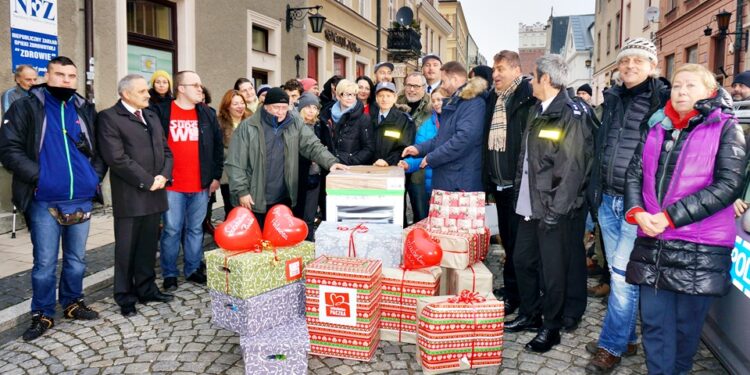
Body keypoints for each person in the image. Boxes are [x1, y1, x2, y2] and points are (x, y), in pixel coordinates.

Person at [624, 63, 746, 374]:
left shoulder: (726, 127)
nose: (681, 91)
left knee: (684, 331)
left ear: (709, 92)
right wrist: (638, 212)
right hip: (654, 241)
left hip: (699, 246)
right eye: (677, 85)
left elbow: (728, 184)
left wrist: (669, 217)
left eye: (690, 86)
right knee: (653, 325)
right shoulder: (658, 127)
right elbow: (634, 174)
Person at [0, 56, 107, 341]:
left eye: (71, 76)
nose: (66, 81)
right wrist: (42, 177)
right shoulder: (26, 107)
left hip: (80, 199)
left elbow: (100, 150)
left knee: (77, 259)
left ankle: (72, 303)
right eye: (60, 75)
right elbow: (9, 150)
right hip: (44, 199)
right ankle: (43, 313)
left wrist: (92, 178)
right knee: (45, 263)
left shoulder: (84, 109)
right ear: (47, 75)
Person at [585, 37, 670, 373]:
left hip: (638, 203)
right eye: (625, 61)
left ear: (653, 66)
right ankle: (626, 338)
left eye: (638, 60)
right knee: (623, 274)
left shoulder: (663, 99)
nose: (630, 66)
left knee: (621, 275)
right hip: (607, 198)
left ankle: (612, 346)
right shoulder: (613, 98)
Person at [505, 54, 593, 353]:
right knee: (522, 260)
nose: (530, 80)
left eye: (533, 75)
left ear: (545, 78)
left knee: (553, 271)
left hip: (555, 209)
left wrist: (556, 212)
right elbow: (528, 160)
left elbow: (572, 169)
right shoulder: (537, 109)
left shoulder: (570, 113)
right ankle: (530, 313)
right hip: (531, 204)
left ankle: (551, 326)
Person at [97, 74, 175, 317]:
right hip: (131, 196)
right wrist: (148, 180)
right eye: (142, 91)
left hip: (155, 193)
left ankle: (147, 288)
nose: (148, 95)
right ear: (126, 94)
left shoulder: (151, 115)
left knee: (148, 246)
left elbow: (166, 150)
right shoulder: (109, 118)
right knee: (126, 250)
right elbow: (116, 158)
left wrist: (163, 175)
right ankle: (125, 296)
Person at [225, 88, 348, 226]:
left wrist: (330, 162)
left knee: (279, 241)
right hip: (254, 198)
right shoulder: (248, 127)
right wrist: (242, 191)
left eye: (284, 107)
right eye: (276, 107)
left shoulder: (294, 123)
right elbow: (235, 163)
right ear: (265, 107)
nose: (280, 112)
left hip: (282, 198)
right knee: (256, 242)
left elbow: (312, 145)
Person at [152, 70, 223, 292]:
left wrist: (215, 176)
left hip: (200, 184)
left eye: (200, 85)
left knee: (195, 229)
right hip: (173, 184)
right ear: (181, 88)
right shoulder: (162, 112)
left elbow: (217, 148)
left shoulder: (207, 114)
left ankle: (192, 269)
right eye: (195, 85)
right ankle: (170, 273)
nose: (200, 89)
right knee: (172, 230)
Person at [482, 50, 537, 316]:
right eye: (494, 69)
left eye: (501, 69)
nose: (495, 74)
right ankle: (511, 288)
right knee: (508, 241)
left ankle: (518, 296)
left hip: (519, 186)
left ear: (516, 70)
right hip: (498, 185)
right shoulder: (494, 98)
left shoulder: (528, 97)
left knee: (519, 245)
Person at [402, 61, 486, 192]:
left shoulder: (473, 103)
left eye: (444, 81)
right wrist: (418, 149)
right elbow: (441, 138)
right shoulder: (456, 102)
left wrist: (432, 157)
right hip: (450, 179)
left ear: (455, 79)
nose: (443, 86)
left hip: (460, 183)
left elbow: (462, 140)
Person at [396, 72, 432, 222]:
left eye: (416, 86)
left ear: (424, 87)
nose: (411, 89)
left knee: (421, 212)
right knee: (397, 211)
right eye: (408, 85)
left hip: (419, 167)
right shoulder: (396, 103)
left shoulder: (431, 108)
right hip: (397, 163)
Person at [398, 89, 443, 208]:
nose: (436, 103)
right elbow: (420, 156)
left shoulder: (456, 122)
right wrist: (408, 164)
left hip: (451, 187)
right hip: (429, 184)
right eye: (433, 101)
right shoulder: (426, 125)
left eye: (440, 100)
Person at [318, 79, 375, 166]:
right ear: (338, 96)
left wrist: (349, 162)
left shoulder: (363, 118)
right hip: (329, 167)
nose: (350, 98)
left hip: (350, 170)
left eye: (353, 95)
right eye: (346, 94)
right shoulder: (327, 116)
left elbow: (369, 149)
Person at [293, 92, 325, 240]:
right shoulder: (293, 126)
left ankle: (309, 244)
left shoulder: (320, 126)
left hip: (315, 177)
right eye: (307, 107)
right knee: (297, 215)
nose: (311, 110)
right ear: (300, 109)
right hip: (297, 176)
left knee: (310, 216)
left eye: (315, 107)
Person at [217, 90, 249, 219]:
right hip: (229, 176)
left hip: (250, 175)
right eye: (235, 104)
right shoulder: (219, 123)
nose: (240, 106)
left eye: (242, 103)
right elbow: (218, 149)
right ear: (227, 106)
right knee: (232, 212)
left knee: (249, 211)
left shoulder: (252, 120)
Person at [372, 82, 415, 167]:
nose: (384, 99)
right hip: (371, 168)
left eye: (388, 96)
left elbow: (405, 148)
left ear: (395, 98)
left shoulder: (404, 120)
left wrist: (387, 161)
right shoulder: (369, 118)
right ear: (376, 98)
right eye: (381, 96)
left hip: (393, 168)